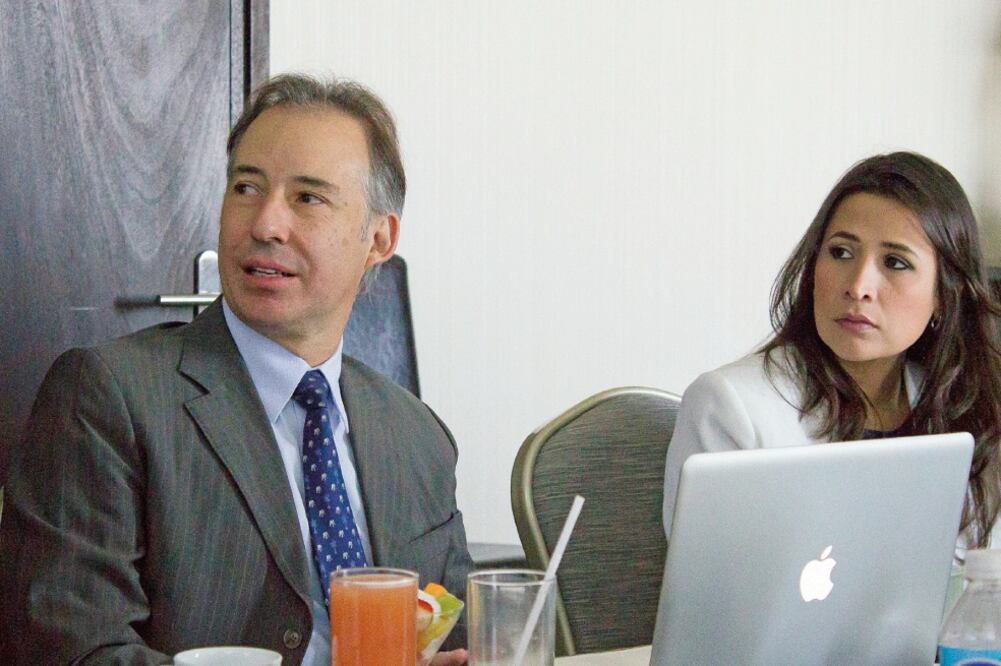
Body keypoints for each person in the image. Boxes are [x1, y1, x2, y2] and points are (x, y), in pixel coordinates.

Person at [0, 74, 474, 666]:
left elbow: (457, 634)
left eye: (307, 198)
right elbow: (70, 650)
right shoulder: (108, 398)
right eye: (246, 188)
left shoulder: (419, 435)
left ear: (378, 238)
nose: (265, 224)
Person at [662, 151, 1001, 555]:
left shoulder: (969, 411)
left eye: (895, 262)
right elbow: (713, 598)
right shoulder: (731, 407)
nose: (858, 286)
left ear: (946, 295)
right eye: (841, 252)